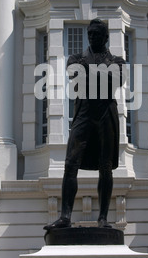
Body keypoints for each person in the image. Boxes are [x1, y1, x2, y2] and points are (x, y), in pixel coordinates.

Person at [44, 18, 126, 230]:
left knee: (105, 167)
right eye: (90, 34)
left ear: (106, 37)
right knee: (70, 163)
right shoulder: (76, 58)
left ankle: (103, 218)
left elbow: (116, 80)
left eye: (97, 34)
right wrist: (101, 76)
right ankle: (65, 217)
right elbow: (74, 75)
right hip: (84, 112)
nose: (92, 37)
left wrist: (89, 74)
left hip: (106, 115)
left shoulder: (118, 61)